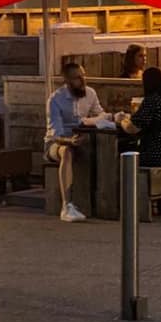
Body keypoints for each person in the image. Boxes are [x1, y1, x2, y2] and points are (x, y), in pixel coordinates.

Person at [46, 63, 111, 222]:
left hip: (83, 138)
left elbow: (102, 115)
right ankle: (66, 206)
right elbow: (55, 134)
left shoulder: (90, 93)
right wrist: (69, 141)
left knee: (105, 148)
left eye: (83, 75)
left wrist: (90, 121)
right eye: (77, 78)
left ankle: (106, 202)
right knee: (67, 152)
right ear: (67, 80)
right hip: (58, 143)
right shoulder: (56, 99)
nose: (82, 80)